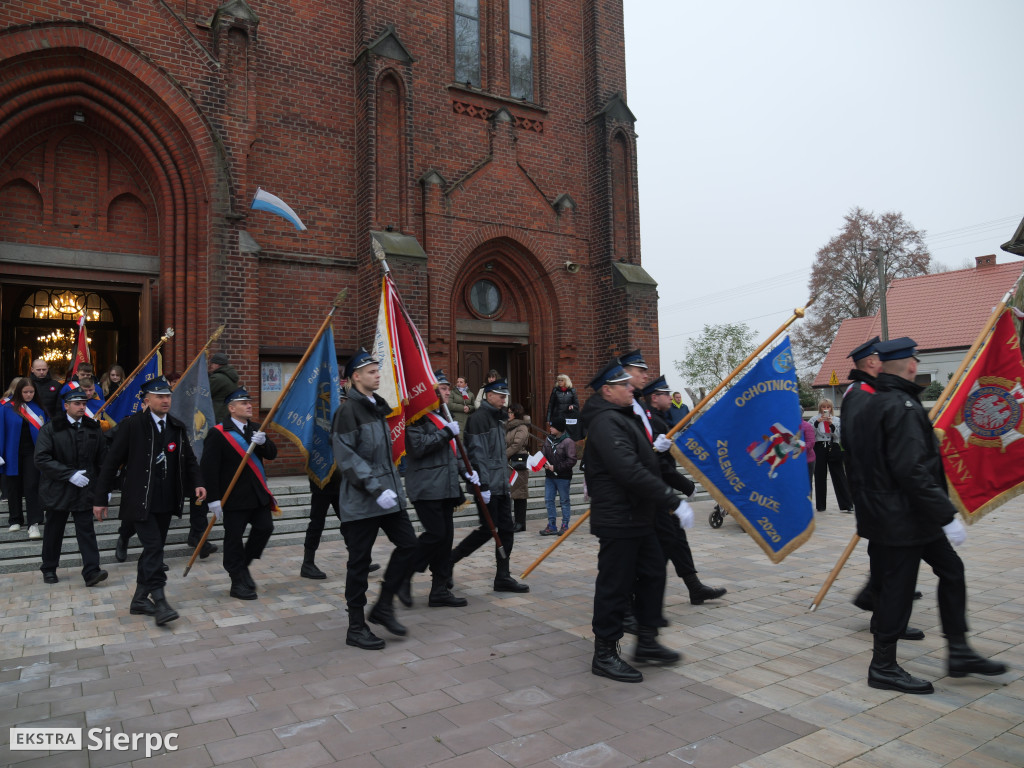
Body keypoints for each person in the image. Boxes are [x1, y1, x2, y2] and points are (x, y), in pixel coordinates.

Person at [845, 337, 1007, 694]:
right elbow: (911, 470)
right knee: (895, 592)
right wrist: (946, 514)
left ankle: (959, 650)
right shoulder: (900, 405)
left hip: (907, 516)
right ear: (912, 365)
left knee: (951, 570)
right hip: (900, 518)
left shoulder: (877, 402)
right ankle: (883, 666)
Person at [581, 359, 684, 683]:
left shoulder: (623, 416)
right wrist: (670, 498)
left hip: (638, 515)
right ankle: (605, 653)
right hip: (619, 518)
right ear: (607, 391)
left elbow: (641, 461)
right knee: (615, 585)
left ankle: (648, 641)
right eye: (624, 384)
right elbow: (627, 468)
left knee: (653, 572)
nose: (631, 388)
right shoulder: (605, 421)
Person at [93, 376, 206, 626]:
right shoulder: (132, 425)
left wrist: (198, 482)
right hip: (139, 499)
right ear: (147, 400)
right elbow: (111, 463)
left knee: (152, 551)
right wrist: (100, 498)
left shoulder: (176, 426)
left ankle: (139, 599)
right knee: (154, 548)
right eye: (160, 397)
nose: (166, 400)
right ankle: (160, 601)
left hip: (166, 499)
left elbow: (188, 460)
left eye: (168, 396)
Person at [332, 348, 419, 650]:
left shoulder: (376, 407)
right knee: (359, 563)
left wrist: (390, 490)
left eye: (377, 369)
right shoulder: (348, 411)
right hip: (361, 501)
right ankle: (356, 627)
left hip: (387, 496)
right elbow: (348, 457)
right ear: (355, 377)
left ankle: (383, 605)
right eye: (371, 371)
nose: (377, 374)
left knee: (410, 546)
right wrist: (376, 488)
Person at [842, 337, 924, 638]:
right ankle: (882, 610)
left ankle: (879, 603)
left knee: (885, 552)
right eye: (880, 357)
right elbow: (858, 443)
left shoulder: (871, 391)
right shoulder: (860, 393)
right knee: (887, 553)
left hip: (877, 490)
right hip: (873, 489)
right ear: (872, 362)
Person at [642, 374, 727, 605]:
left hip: (662, 493)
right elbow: (658, 464)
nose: (670, 398)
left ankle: (694, 587)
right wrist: (686, 485)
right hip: (655, 493)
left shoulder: (660, 418)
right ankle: (638, 596)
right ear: (654, 397)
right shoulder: (653, 422)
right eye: (665, 394)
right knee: (657, 546)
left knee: (676, 539)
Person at [450, 378, 530, 593]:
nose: (504, 400)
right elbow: (477, 455)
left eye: (505, 396)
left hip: (500, 483)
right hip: (487, 486)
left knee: (506, 530)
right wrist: (483, 486)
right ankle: (449, 561)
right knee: (488, 530)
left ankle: (503, 576)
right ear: (489, 395)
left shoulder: (497, 418)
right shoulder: (480, 418)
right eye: (500, 396)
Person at [402, 370, 471, 608]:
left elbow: (453, 450)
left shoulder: (444, 415)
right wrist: (445, 433)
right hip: (426, 485)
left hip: (446, 486)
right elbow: (418, 447)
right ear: (429, 391)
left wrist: (468, 472)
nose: (447, 392)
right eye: (442, 388)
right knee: (436, 535)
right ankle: (403, 573)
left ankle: (439, 589)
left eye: (448, 388)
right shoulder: (416, 417)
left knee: (445, 539)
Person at [201, 389, 277, 600]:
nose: (249, 405)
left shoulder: (255, 428)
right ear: (231, 408)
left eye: (249, 402)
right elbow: (209, 468)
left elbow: (272, 454)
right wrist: (213, 499)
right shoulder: (218, 433)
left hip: (257, 494)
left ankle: (243, 565)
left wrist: (264, 443)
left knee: (265, 528)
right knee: (233, 539)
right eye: (243, 403)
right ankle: (237, 581)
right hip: (233, 498)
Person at [34, 387, 108, 586]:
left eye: (84, 403)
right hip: (57, 489)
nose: (82, 407)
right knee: (53, 531)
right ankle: (49, 568)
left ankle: (92, 571)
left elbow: (103, 460)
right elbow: (41, 458)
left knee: (86, 531)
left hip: (85, 490)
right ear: (66, 406)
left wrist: (104, 489)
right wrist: (69, 474)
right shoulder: (51, 429)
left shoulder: (93, 428)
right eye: (77, 403)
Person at [1, 377, 48, 538]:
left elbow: (46, 433)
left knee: (32, 485)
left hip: (33, 453)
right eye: (26, 392)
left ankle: (33, 523)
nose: (29, 395)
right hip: (11, 452)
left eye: (31, 392)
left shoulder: (39, 409)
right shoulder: (7, 408)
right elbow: (1, 431)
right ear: (19, 392)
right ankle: (15, 519)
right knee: (13, 485)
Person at [813, 399, 852, 512]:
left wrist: (832, 425)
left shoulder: (836, 420)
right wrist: (817, 423)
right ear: (820, 408)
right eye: (823, 407)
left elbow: (839, 435)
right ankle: (820, 505)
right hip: (819, 447)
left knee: (839, 475)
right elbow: (811, 434)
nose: (826, 409)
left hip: (832, 447)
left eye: (828, 407)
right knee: (819, 476)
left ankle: (846, 504)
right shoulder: (813, 419)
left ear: (831, 408)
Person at [539, 416, 577, 535]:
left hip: (563, 477)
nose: (550, 428)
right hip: (550, 476)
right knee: (549, 500)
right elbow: (543, 454)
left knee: (564, 501)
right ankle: (552, 525)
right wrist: (541, 462)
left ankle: (565, 525)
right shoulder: (548, 440)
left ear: (559, 428)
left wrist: (556, 467)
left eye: (553, 426)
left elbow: (572, 460)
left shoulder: (568, 441)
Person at [506, 402, 531, 532]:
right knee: (513, 493)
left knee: (520, 493)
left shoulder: (521, 427)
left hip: (518, 463)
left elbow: (516, 445)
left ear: (516, 413)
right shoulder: (508, 426)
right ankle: (515, 522)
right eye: (508, 412)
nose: (508, 414)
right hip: (509, 464)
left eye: (510, 412)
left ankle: (520, 523)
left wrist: (504, 455)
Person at [547, 374, 581, 440]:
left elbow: (577, 405)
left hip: (567, 417)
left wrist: (572, 406)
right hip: (557, 416)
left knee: (567, 436)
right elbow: (550, 405)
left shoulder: (572, 391)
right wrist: (548, 419)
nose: (559, 382)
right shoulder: (555, 391)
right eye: (558, 380)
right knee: (555, 435)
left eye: (561, 380)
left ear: (566, 381)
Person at [208, 353, 239, 424]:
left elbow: (204, 393)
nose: (211, 366)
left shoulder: (217, 378)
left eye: (212, 363)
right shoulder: (230, 376)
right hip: (227, 413)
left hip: (217, 413)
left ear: (217, 364)